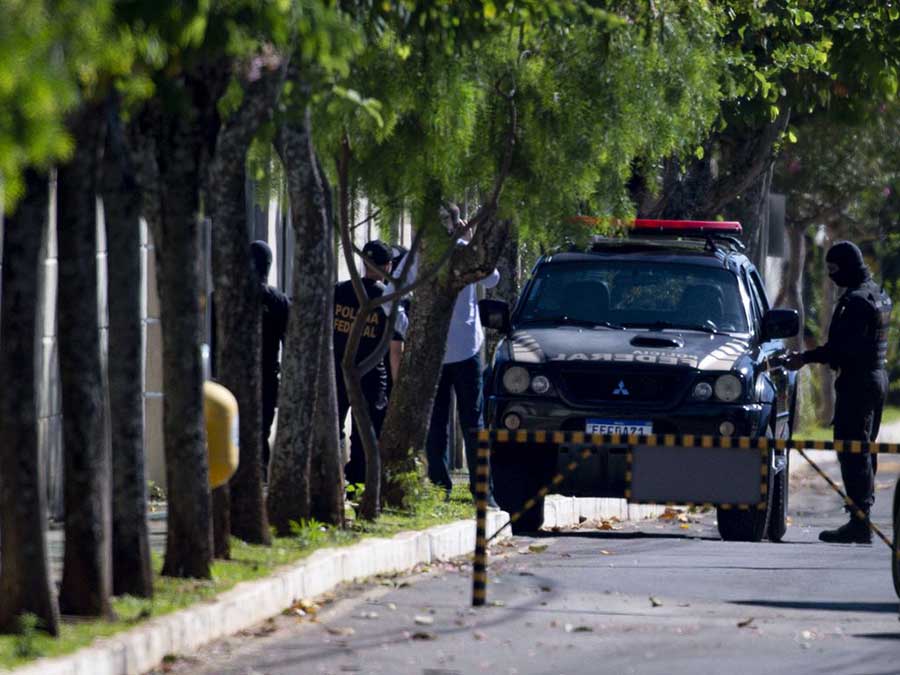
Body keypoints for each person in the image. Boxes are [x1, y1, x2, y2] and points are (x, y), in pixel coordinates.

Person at [784, 240, 892, 543]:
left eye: (833, 269)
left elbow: (842, 350)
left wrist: (804, 358)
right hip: (875, 379)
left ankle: (860, 522)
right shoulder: (878, 295)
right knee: (863, 450)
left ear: (846, 266)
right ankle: (861, 518)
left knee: (852, 451)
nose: (831, 276)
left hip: (858, 383)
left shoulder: (856, 302)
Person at [425, 206, 500, 506]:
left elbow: (397, 288)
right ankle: (482, 490)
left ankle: (439, 488)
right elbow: (492, 278)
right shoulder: (464, 252)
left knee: (436, 423)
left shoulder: (424, 257)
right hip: (467, 349)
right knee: (473, 422)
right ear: (458, 224)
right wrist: (471, 243)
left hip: (437, 351)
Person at [333, 240, 405, 485]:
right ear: (388, 266)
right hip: (372, 374)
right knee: (367, 433)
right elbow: (403, 329)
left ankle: (334, 479)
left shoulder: (338, 291)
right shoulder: (386, 297)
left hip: (337, 370)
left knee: (334, 427)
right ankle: (358, 483)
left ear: (363, 263)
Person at [250, 240, 290, 480]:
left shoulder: (223, 296)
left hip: (229, 377)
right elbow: (290, 341)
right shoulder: (279, 301)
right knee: (261, 431)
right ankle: (259, 477)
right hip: (266, 377)